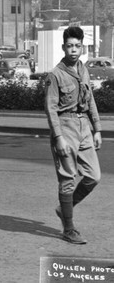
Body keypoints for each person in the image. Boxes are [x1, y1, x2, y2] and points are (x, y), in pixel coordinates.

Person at [44, 26, 102, 245]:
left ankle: (64, 208)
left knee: (94, 176)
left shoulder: (83, 69)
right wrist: (58, 137)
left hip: (84, 126)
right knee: (68, 179)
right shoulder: (55, 75)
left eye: (78, 46)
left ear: (82, 47)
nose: (74, 50)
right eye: (70, 46)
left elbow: (91, 100)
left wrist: (97, 129)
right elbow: (50, 108)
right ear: (63, 47)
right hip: (65, 126)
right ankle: (69, 228)